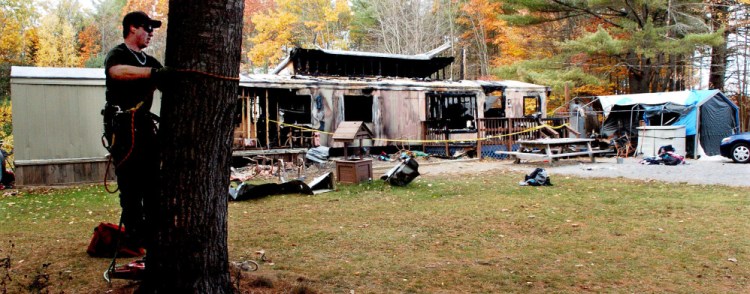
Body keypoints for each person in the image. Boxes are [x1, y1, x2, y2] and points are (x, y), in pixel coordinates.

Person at [101, 11, 167, 251]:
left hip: (145, 127)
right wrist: (152, 75)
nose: (150, 33)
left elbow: (166, 79)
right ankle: (135, 235)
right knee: (130, 184)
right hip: (122, 128)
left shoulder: (150, 61)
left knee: (152, 183)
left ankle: (152, 236)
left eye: (152, 29)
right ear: (131, 28)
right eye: (146, 27)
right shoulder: (118, 54)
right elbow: (116, 72)